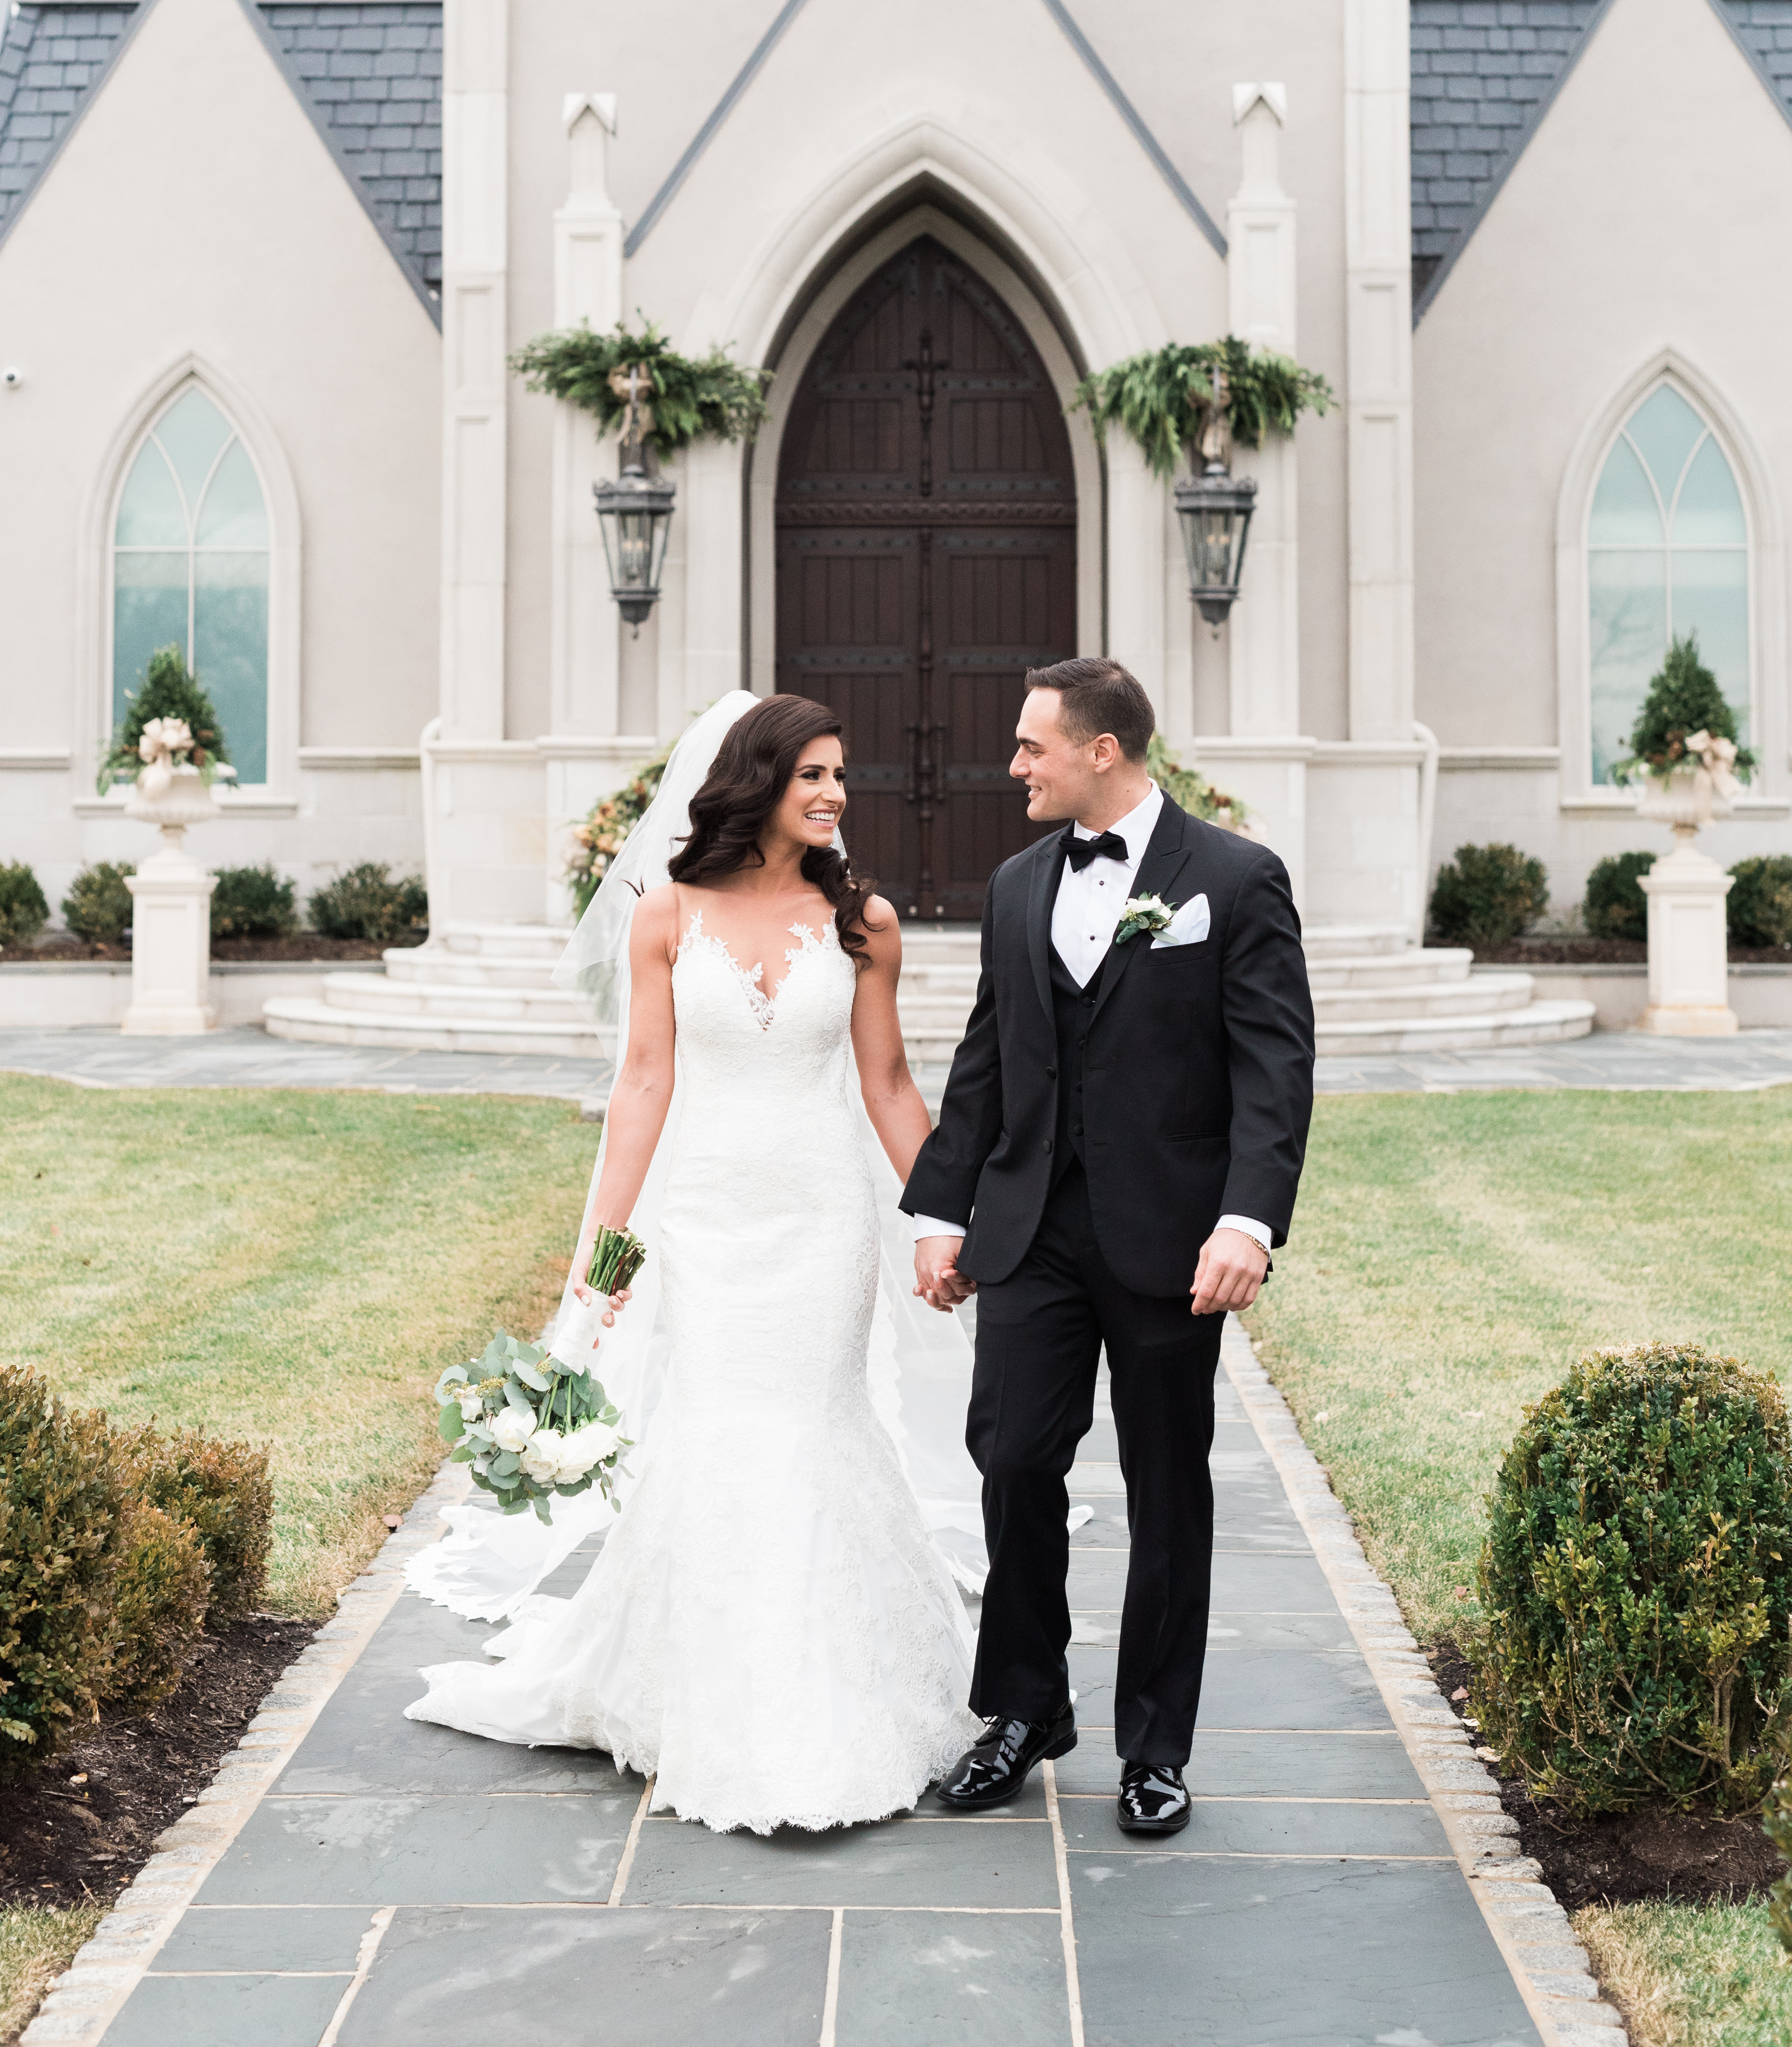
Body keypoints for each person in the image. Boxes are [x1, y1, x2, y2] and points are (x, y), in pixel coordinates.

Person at [406, 694, 981, 1834]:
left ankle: (827, 1691)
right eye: (811, 774)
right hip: (708, 1221)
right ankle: (705, 1697)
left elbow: (888, 1085)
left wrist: (944, 1218)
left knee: (812, 1426)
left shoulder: (863, 921)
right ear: (756, 780)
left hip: (821, 1220)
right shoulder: (666, 914)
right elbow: (642, 1085)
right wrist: (603, 1255)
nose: (832, 794)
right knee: (718, 1430)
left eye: (839, 775)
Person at [904, 656, 1314, 1837]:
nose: (1013, 765)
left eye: (1032, 745)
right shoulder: (1016, 882)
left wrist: (1247, 1220)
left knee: (1165, 1491)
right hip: (1030, 1231)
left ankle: (1155, 1749)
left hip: (1171, 1240)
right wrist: (943, 1213)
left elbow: (1273, 1066)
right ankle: (1027, 1710)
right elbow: (986, 1062)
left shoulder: (1233, 879)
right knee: (1012, 1459)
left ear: (1101, 750)